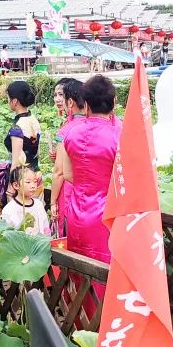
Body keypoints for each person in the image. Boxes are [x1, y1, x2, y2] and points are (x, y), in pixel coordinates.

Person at [55, 75, 122, 262]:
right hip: (109, 215)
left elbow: (67, 174)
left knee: (79, 269)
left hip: (76, 211)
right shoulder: (120, 135)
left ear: (86, 104)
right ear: (114, 101)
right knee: (107, 270)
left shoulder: (71, 133)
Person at [50, 78, 86, 234]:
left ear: (70, 101)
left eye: (61, 95)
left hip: (69, 189)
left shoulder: (67, 130)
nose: (58, 100)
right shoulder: (92, 124)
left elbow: (59, 172)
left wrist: (52, 202)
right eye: (55, 95)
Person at [1, 165, 51, 235]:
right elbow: (7, 235)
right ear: (16, 185)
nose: (33, 186)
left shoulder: (38, 204)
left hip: (38, 244)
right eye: (28, 182)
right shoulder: (9, 209)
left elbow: (45, 226)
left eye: (35, 181)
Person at [5, 80, 41, 169]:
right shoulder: (33, 119)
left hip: (23, 175)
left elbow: (16, 162)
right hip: (35, 172)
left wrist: (12, 181)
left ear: (15, 101)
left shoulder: (17, 127)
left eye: (8, 98)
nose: (8, 101)